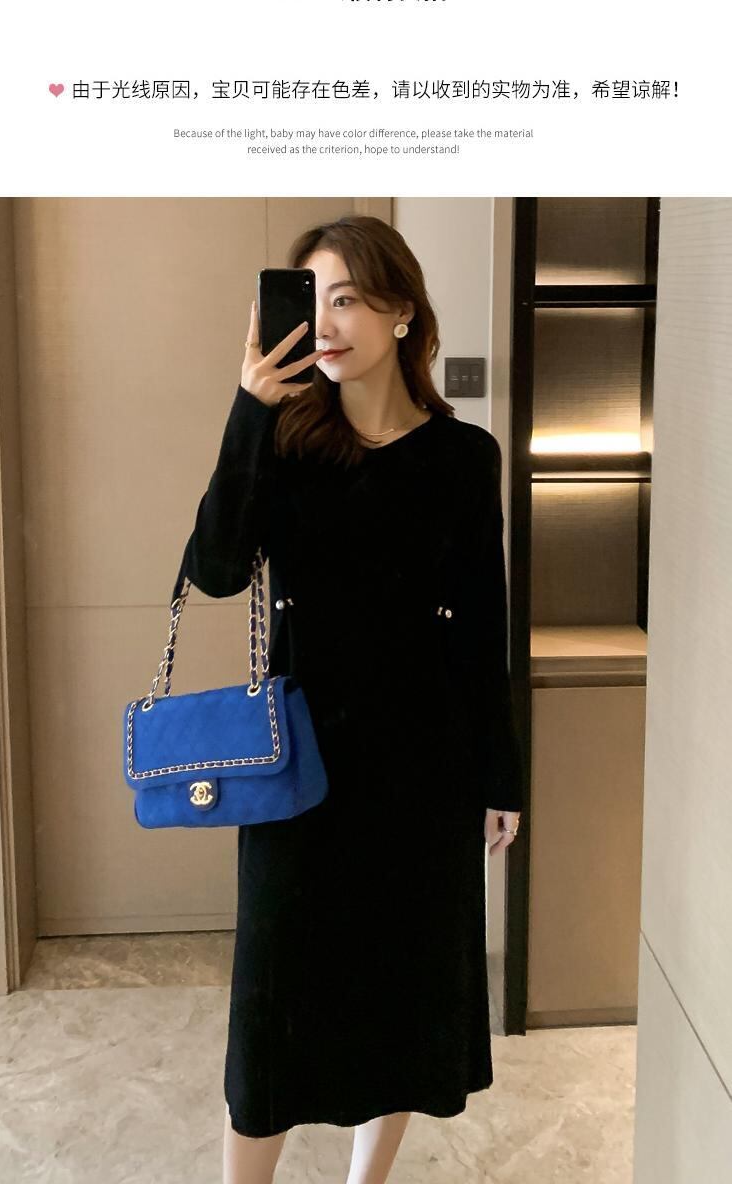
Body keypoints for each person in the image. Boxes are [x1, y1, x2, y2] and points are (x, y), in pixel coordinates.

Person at [173, 214, 524, 1184]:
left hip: (423, 779)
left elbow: (481, 628)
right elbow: (214, 569)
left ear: (402, 310)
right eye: (311, 301)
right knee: (273, 1021)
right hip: (300, 776)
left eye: (348, 299)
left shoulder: (464, 458)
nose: (324, 323)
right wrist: (249, 408)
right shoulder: (285, 442)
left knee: (401, 1007)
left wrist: (499, 775)